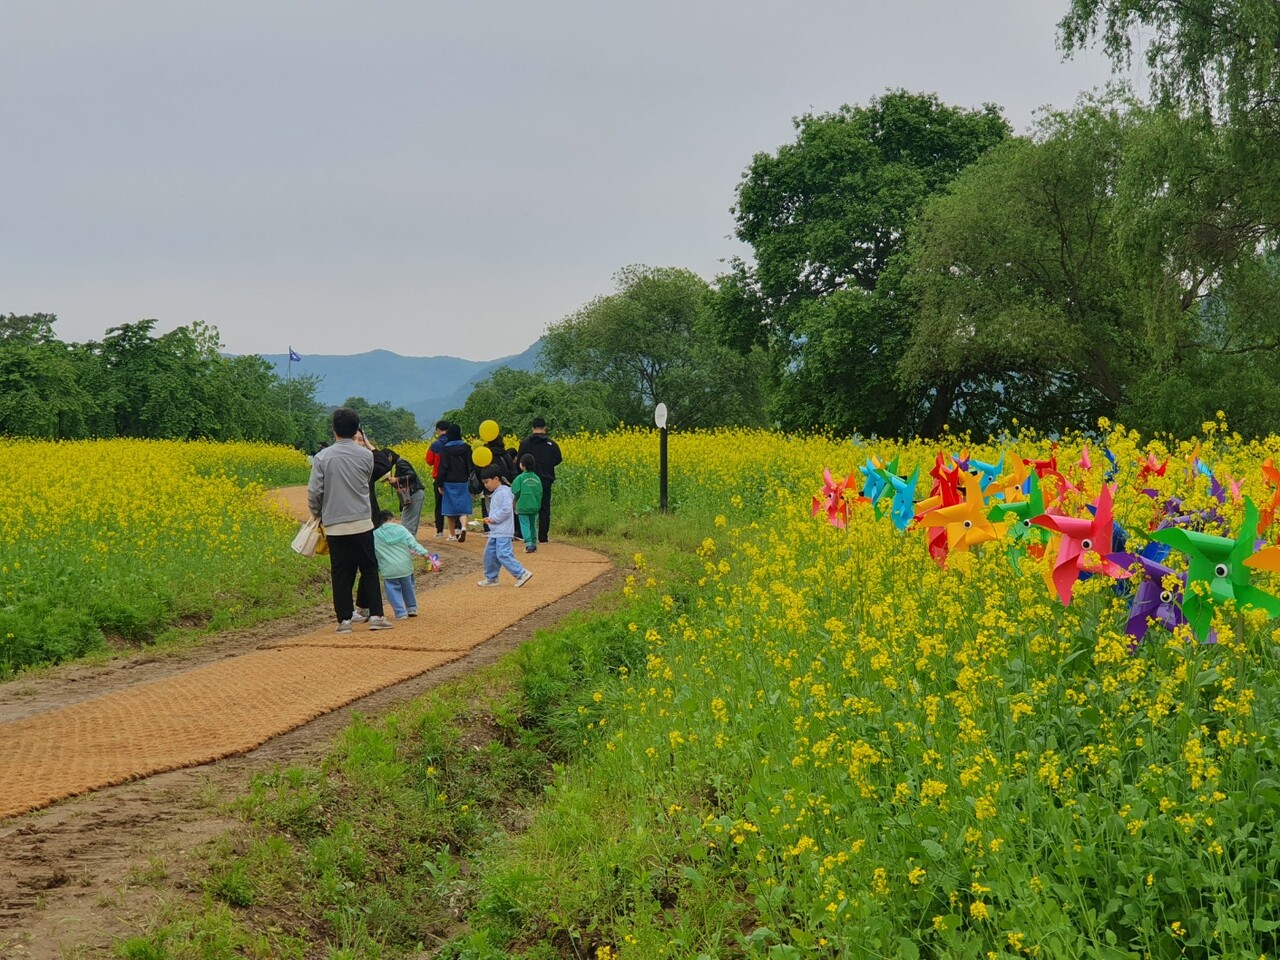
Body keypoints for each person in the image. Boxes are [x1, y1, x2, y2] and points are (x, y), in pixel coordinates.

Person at [306, 408, 394, 633]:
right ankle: (376, 616)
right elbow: (367, 480)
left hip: (335, 523)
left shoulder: (322, 457)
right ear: (357, 430)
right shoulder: (366, 455)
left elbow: (315, 491)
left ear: (334, 429)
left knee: (340, 572)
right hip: (363, 521)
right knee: (369, 568)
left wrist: (318, 513)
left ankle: (344, 621)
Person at [477, 465, 533, 588]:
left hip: (503, 531)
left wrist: (493, 519)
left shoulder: (505, 492)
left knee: (503, 553)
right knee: (490, 554)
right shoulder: (497, 493)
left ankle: (522, 573)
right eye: (484, 483)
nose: (486, 485)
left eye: (487, 482)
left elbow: (506, 510)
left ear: (496, 479)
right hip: (495, 531)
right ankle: (491, 578)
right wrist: (490, 520)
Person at [372, 509, 430, 618]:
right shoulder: (401, 529)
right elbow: (413, 543)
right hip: (405, 566)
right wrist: (425, 553)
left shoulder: (375, 534)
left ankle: (400, 612)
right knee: (408, 587)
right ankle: (411, 608)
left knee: (392, 589)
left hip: (388, 569)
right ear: (392, 518)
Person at [517, 417, 563, 543]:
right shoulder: (552, 444)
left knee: (528, 508)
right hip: (545, 481)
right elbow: (558, 459)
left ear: (532, 428)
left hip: (527, 481)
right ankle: (543, 537)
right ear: (545, 428)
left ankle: (528, 536)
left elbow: (519, 461)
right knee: (544, 509)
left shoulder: (525, 443)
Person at [431, 423, 473, 542]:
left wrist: (439, 483)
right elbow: (470, 465)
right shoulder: (466, 447)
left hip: (449, 482)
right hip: (463, 481)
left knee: (449, 509)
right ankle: (463, 527)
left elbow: (443, 467)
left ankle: (452, 535)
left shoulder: (446, 449)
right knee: (463, 507)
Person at [384, 448, 425, 538]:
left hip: (414, 493)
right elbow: (402, 485)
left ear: (390, 457)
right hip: (411, 495)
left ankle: (409, 545)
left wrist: (397, 479)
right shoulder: (399, 463)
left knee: (408, 522)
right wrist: (393, 482)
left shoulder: (401, 463)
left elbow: (412, 475)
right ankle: (410, 544)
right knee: (408, 521)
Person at [511, 454, 544, 553]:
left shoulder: (520, 478)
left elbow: (515, 491)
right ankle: (534, 543)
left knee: (524, 525)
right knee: (533, 525)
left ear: (522, 465)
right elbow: (540, 492)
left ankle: (528, 544)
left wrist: (515, 500)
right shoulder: (537, 478)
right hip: (534, 505)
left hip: (523, 505)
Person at [425, 420, 448, 538]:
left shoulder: (435, 444)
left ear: (438, 430)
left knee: (439, 505)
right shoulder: (455, 442)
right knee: (454, 503)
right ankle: (458, 528)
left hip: (439, 478)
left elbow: (429, 461)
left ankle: (440, 531)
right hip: (454, 478)